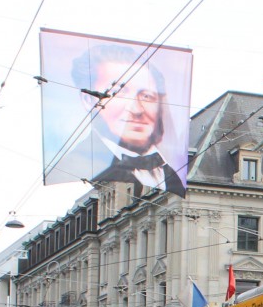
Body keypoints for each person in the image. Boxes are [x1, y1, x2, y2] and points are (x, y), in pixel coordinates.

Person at [51, 42, 186, 197]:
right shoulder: (72, 166)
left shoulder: (172, 171)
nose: (137, 109)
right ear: (89, 100)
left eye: (147, 96)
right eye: (117, 93)